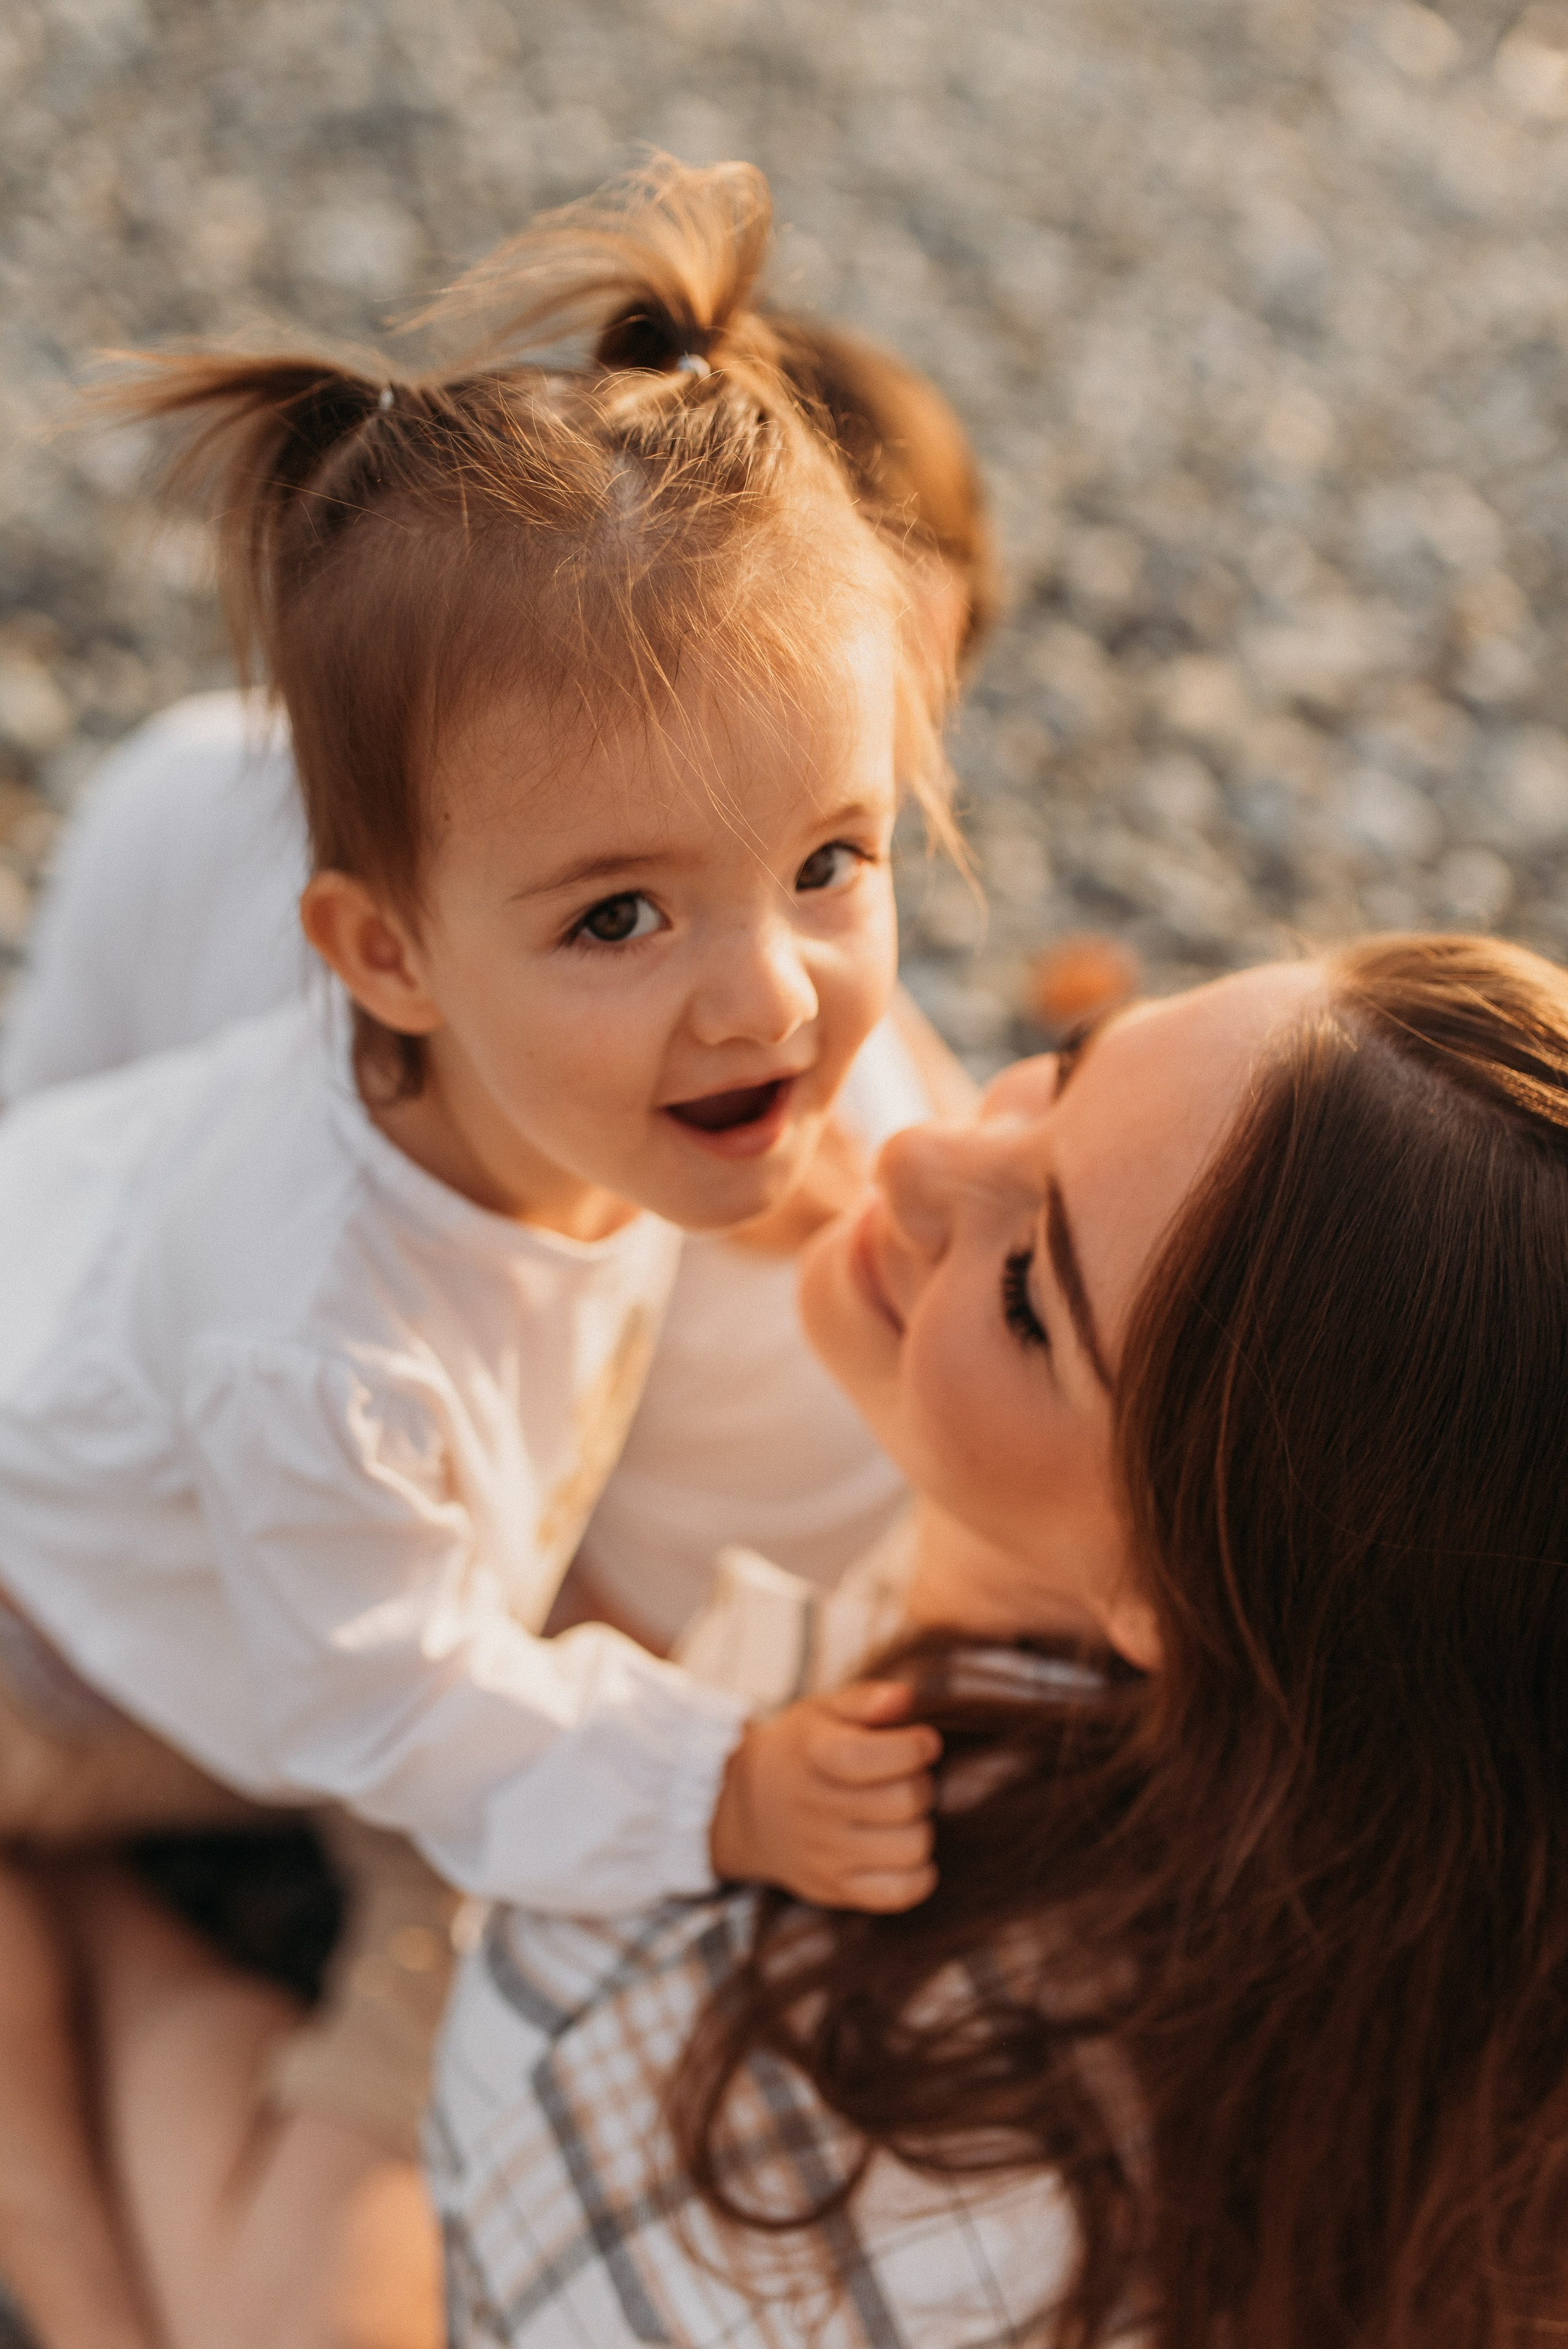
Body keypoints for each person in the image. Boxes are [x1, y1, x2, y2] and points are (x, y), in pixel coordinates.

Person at [0, 158, 960, 2349]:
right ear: (386, 954)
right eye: (620, 914)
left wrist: (830, 1184)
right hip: (53, 1649)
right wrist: (714, 1784)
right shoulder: (325, 1340)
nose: (769, 997)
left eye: (830, 859)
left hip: (220, 1596)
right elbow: (386, 1694)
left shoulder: (618, 1085)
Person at [423, 931, 1568, 2345]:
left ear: (1182, 1593)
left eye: (1027, 1291)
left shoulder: (768, 2060)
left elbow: (466, 2180)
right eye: (1068, 1067)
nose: (915, 1157)